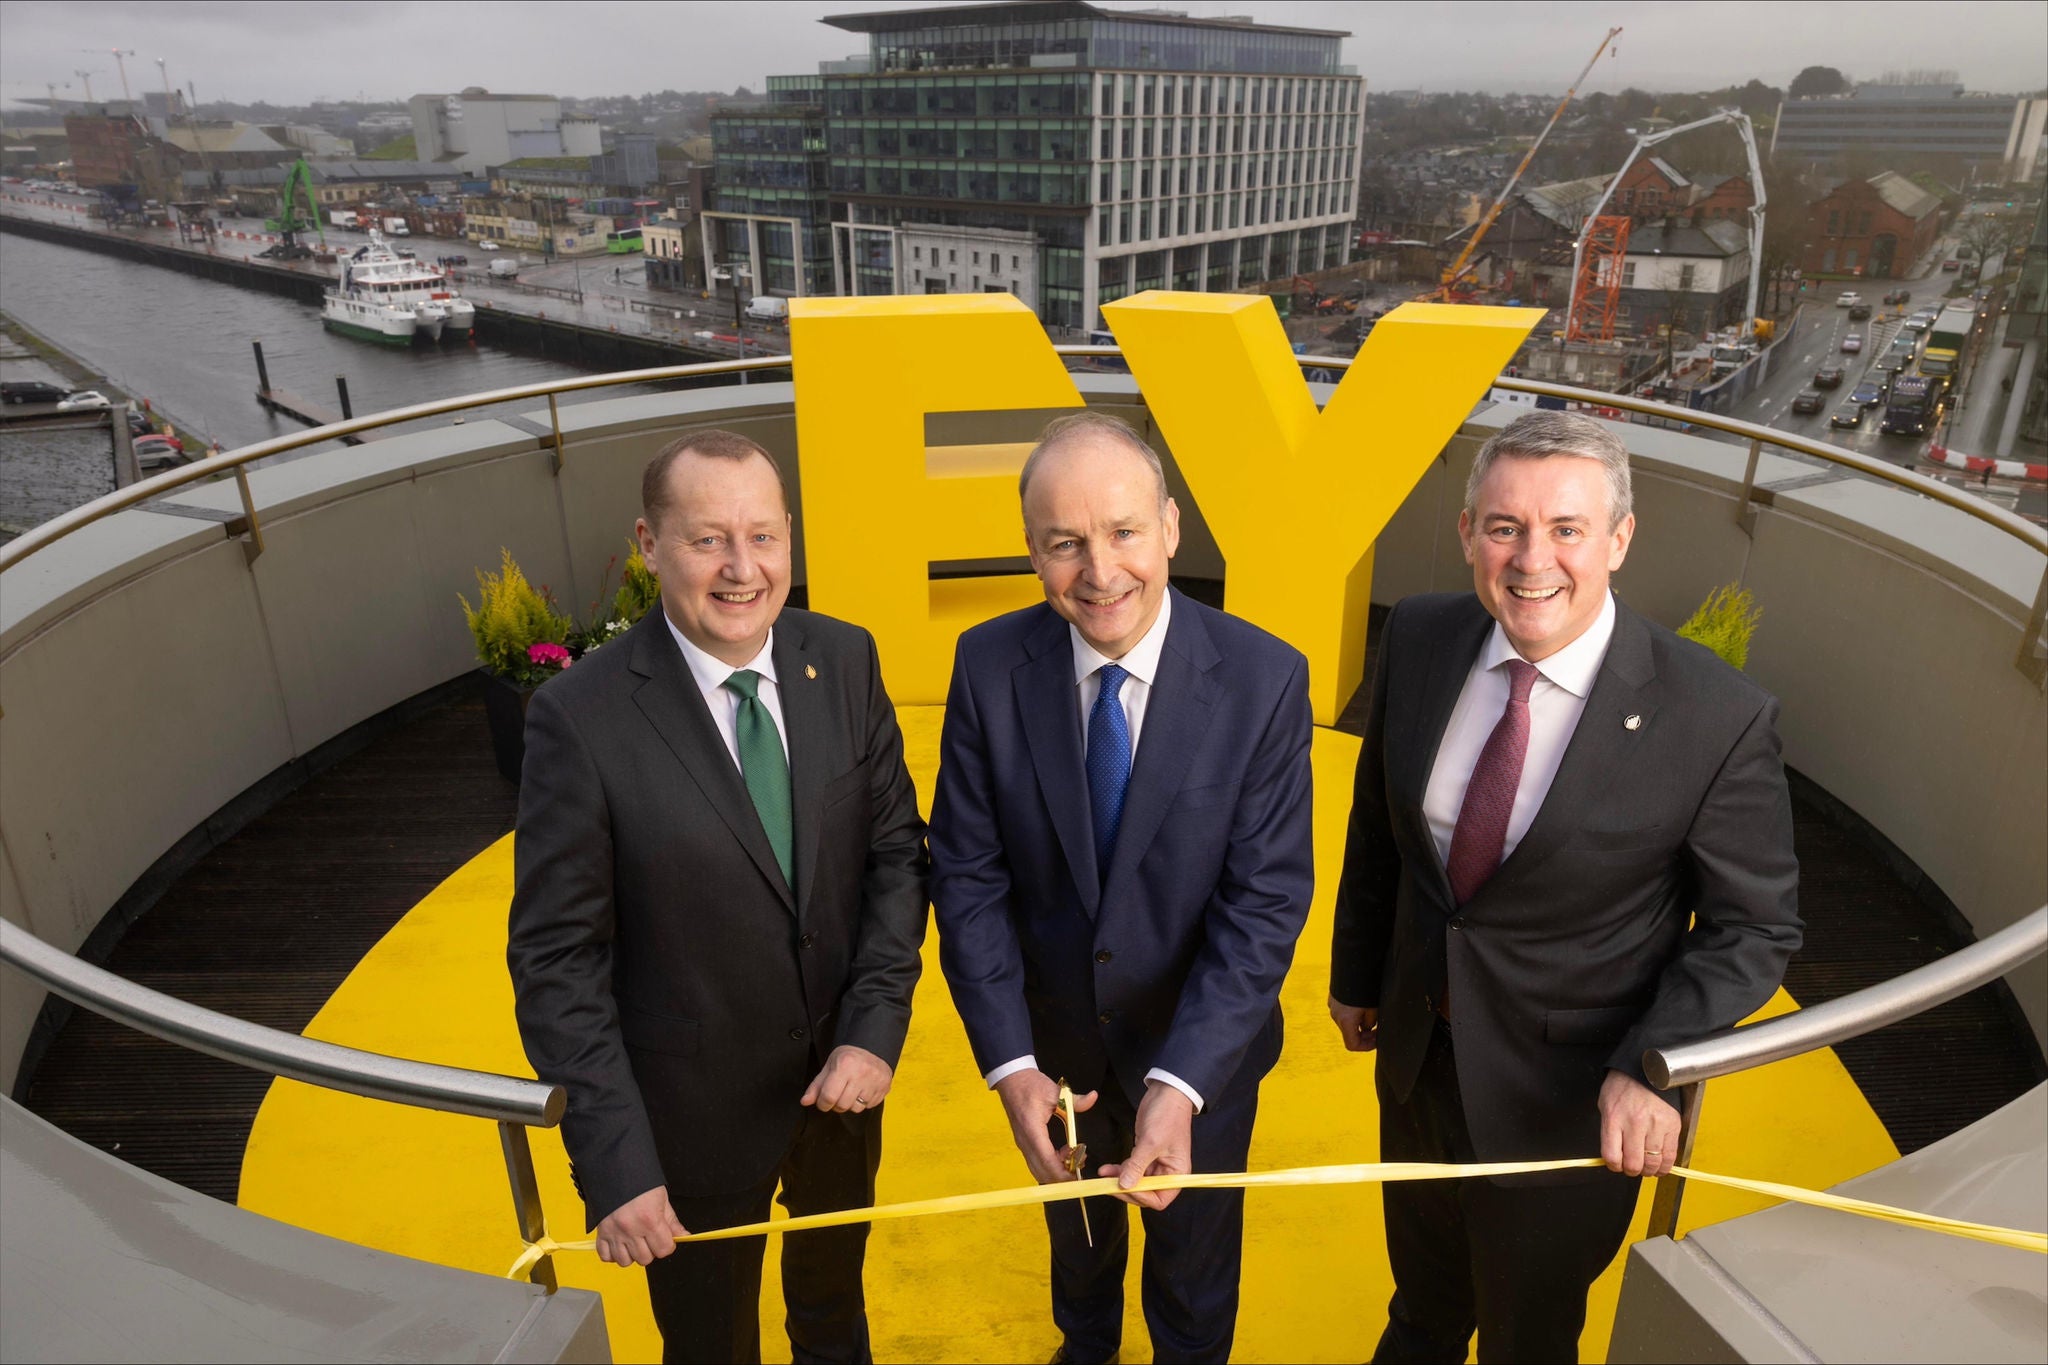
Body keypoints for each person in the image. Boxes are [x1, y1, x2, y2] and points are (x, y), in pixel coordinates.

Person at [1328, 410, 1803, 1363]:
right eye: (1504, 525)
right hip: (1419, 1068)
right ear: (1468, 534)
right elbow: (1379, 823)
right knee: (1422, 1305)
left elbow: (1755, 927)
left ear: (1620, 540)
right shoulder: (1423, 636)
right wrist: (1354, 973)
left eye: (1567, 529)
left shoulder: (1716, 718)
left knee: (1525, 1337)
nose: (1530, 557)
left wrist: (1657, 1062)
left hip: (1571, 1104)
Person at [507, 429, 929, 1364]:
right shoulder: (579, 721)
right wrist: (616, 1165)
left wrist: (874, 1026)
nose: (743, 569)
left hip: (841, 1095)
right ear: (649, 546)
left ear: (790, 538)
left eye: (764, 537)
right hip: (684, 1130)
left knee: (833, 1319)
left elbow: (897, 857)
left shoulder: (845, 659)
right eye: (707, 540)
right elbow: (555, 961)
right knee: (710, 1348)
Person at [930, 411, 1316, 1364]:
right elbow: (968, 878)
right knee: (1081, 1253)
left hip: (1203, 1061)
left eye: (1123, 532)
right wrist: (1010, 1064)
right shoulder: (986, 666)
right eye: (1064, 543)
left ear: (1172, 527)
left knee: (1192, 1275)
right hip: (1055, 1060)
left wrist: (1179, 1087)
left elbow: (1262, 905)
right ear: (1032, 552)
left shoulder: (1265, 680)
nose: (1099, 572)